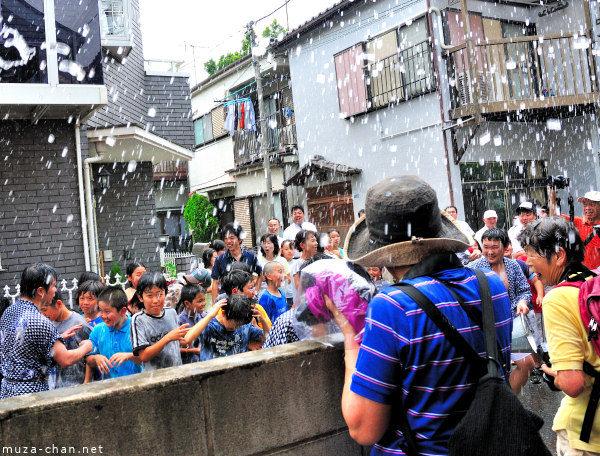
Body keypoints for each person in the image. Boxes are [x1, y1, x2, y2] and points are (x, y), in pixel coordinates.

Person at [336, 175, 511, 454]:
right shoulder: (491, 286)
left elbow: (363, 429)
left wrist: (349, 337)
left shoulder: (392, 306)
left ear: (383, 253)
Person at [520, 217, 600, 454]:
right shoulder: (594, 283)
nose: (528, 264)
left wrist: (556, 374)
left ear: (559, 256)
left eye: (532, 255)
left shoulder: (557, 298)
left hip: (585, 430)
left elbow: (573, 384)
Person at [0, 263, 92, 398]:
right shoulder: (39, 321)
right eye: (53, 285)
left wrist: (56, 338)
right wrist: (87, 347)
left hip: (7, 391)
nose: (55, 290)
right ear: (41, 291)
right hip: (30, 394)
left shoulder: (10, 311)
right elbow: (65, 359)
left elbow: (22, 351)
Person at [469, 228, 535, 394]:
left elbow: (524, 290)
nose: (489, 252)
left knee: (527, 364)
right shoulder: (473, 268)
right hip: (484, 325)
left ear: (506, 247)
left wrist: (522, 302)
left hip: (512, 321)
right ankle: (494, 406)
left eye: (494, 247)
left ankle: (510, 401)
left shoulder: (512, 265)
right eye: (486, 247)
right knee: (490, 370)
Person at [130, 272, 189, 371]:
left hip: (177, 372)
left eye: (159, 294)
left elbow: (178, 342)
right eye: (149, 296)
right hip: (154, 378)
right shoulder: (138, 320)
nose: (155, 300)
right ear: (140, 297)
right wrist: (167, 338)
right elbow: (144, 356)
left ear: (165, 294)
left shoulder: (171, 313)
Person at [183, 293, 269, 361]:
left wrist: (263, 320)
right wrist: (209, 316)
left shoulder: (245, 326)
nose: (238, 328)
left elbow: (268, 337)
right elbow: (187, 340)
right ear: (223, 314)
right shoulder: (210, 326)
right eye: (235, 325)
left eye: (240, 325)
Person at [86, 286, 142, 379]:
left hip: (137, 383)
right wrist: (96, 358)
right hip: (109, 386)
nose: (103, 316)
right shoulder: (98, 330)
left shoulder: (137, 327)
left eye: (107, 312)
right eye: (100, 310)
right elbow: (88, 360)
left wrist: (129, 356)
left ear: (123, 311)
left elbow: (148, 358)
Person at [39, 291, 91, 389]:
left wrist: (86, 382)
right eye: (40, 311)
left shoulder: (79, 324)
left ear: (58, 304)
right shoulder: (48, 325)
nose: (42, 314)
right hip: (55, 387)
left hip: (77, 385)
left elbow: (90, 356)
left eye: (44, 309)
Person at [211, 222, 262, 304]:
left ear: (240, 239)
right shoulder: (220, 259)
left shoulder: (250, 256)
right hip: (227, 300)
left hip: (247, 299)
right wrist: (215, 304)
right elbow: (215, 283)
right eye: (226, 238)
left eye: (231, 238)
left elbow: (260, 274)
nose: (228, 241)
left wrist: (255, 291)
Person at [550, 189, 600, 269]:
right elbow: (554, 217)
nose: (587, 208)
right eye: (585, 204)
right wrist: (553, 196)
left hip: (597, 278)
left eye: (592, 204)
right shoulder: (577, 222)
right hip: (581, 276)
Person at [177, 284, 207, 364]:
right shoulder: (179, 322)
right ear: (187, 304)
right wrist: (194, 351)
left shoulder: (205, 317)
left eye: (204, 300)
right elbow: (174, 348)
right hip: (188, 364)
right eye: (200, 301)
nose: (204, 303)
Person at [280, 239, 296, 309]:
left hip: (294, 296)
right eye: (286, 249)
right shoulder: (279, 263)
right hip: (283, 295)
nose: (289, 251)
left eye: (291, 249)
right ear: (282, 251)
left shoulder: (297, 263)